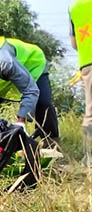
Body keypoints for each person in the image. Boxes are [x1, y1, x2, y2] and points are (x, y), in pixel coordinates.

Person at [70, 0, 92, 167]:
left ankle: (89, 160)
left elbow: (74, 43)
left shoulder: (74, 7)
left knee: (90, 114)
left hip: (87, 64)